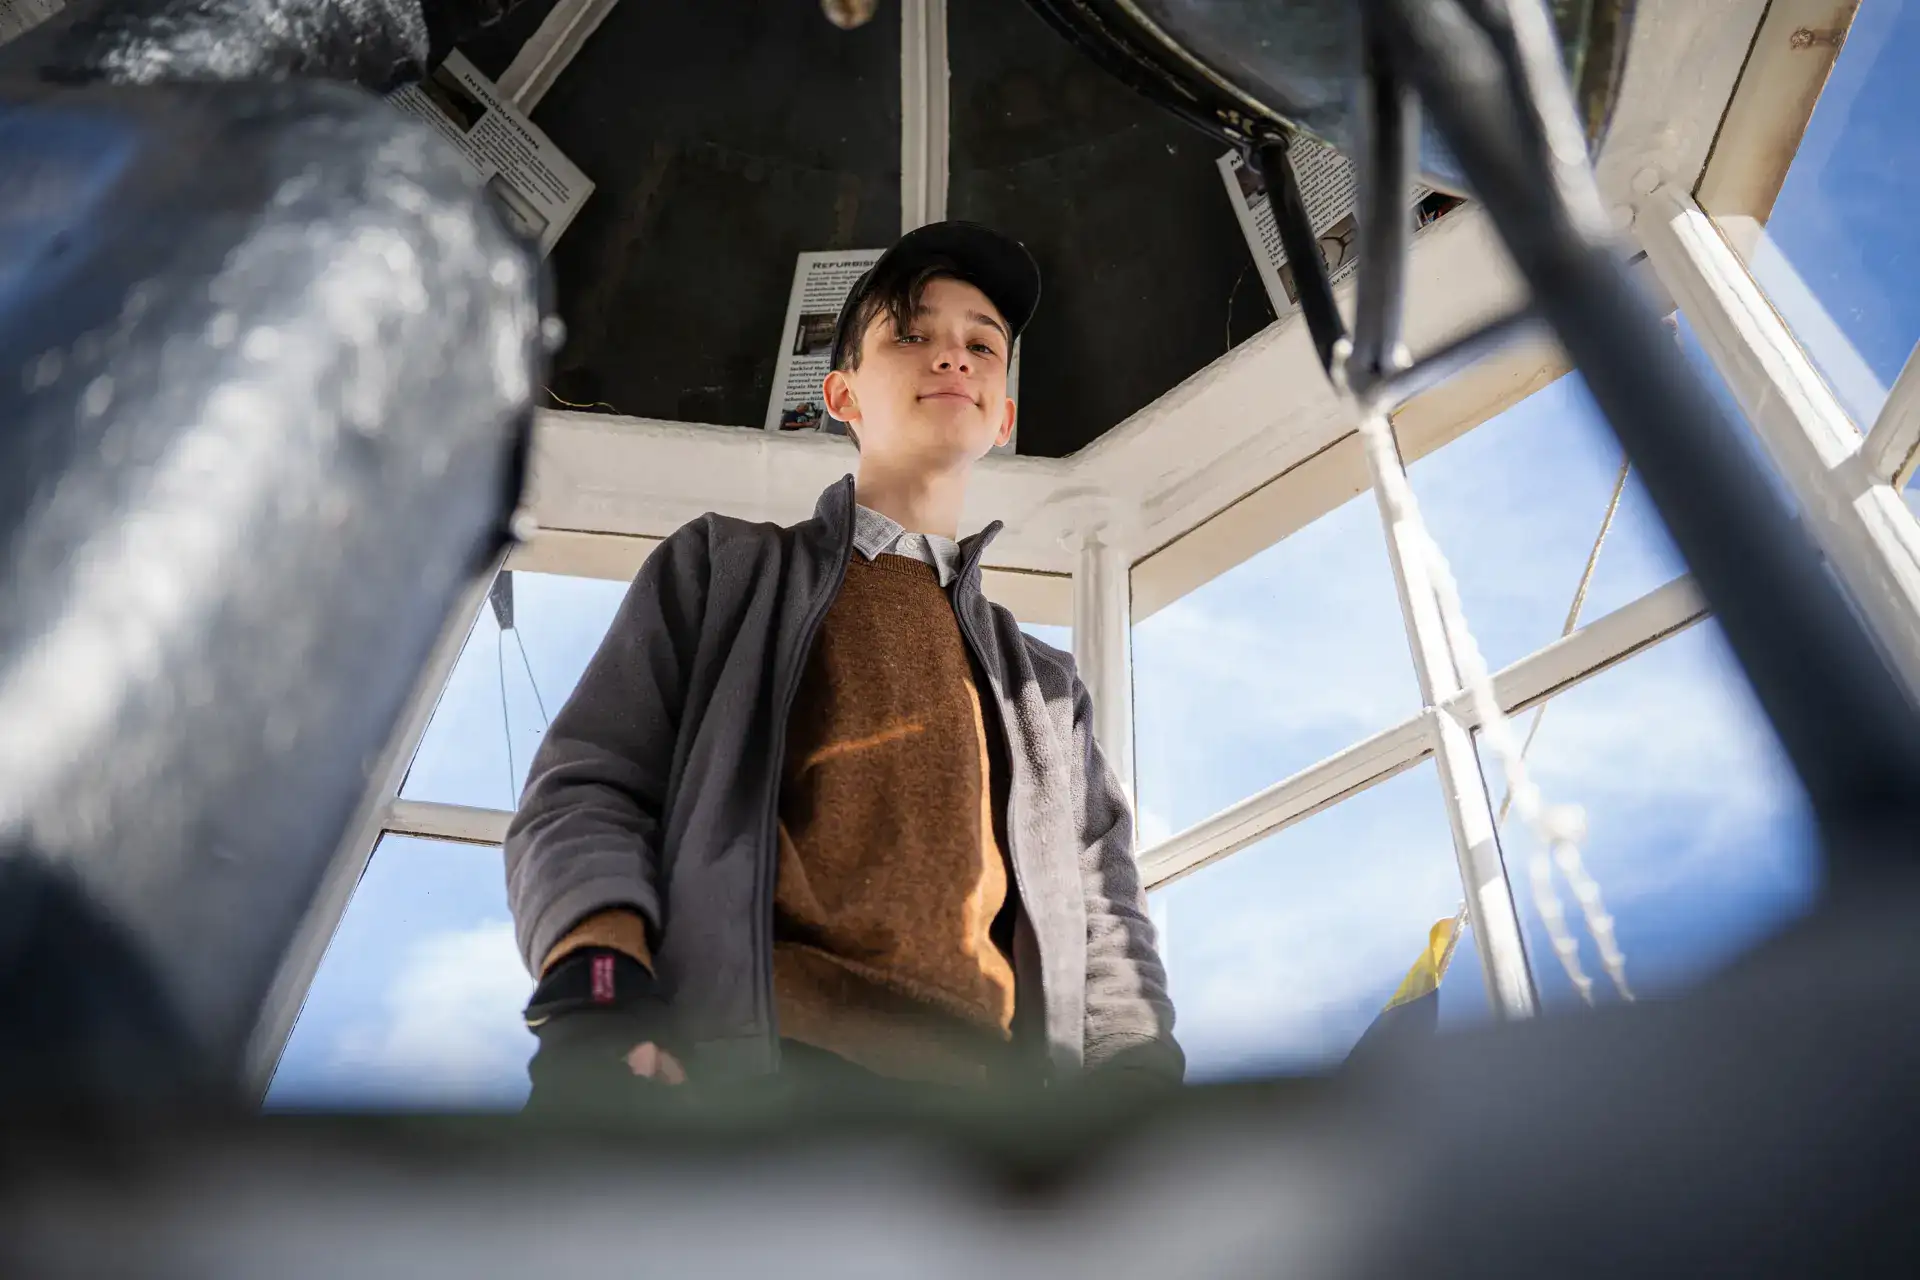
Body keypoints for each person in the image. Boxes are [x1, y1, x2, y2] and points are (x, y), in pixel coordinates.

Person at [505, 221, 1181, 1103]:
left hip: (990, 1133)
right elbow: (590, 788)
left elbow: (1106, 925)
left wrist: (1138, 1111)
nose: (953, 357)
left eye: (982, 343)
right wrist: (598, 990)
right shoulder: (723, 569)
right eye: (911, 333)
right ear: (841, 394)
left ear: (1005, 414)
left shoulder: (1046, 691)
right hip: (741, 1082)